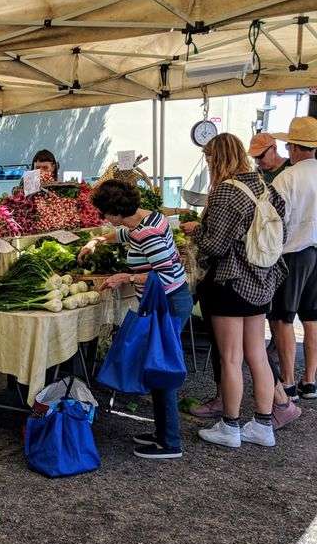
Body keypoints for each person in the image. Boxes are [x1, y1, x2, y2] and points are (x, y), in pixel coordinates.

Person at [180, 133, 287, 450]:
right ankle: (263, 425)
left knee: (230, 358)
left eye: (209, 159)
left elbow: (214, 245)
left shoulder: (226, 191)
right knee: (257, 354)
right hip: (261, 280)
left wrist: (196, 231)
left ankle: (230, 426)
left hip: (230, 282)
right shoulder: (264, 186)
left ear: (216, 158)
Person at [80, 179, 192, 460]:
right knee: (156, 364)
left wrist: (127, 278)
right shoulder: (147, 219)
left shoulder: (147, 234)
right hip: (167, 301)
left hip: (167, 304)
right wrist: (97, 240)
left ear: (117, 212)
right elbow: (123, 234)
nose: (104, 218)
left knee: (161, 367)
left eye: (105, 213)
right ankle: (162, 433)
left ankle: (170, 443)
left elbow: (165, 274)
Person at [267, 115, 317, 400]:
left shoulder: (287, 177)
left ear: (295, 147)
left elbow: (275, 220)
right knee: (312, 317)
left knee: (283, 318)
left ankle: (287, 381)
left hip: (294, 253)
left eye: (288, 146)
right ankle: (309, 380)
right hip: (316, 251)